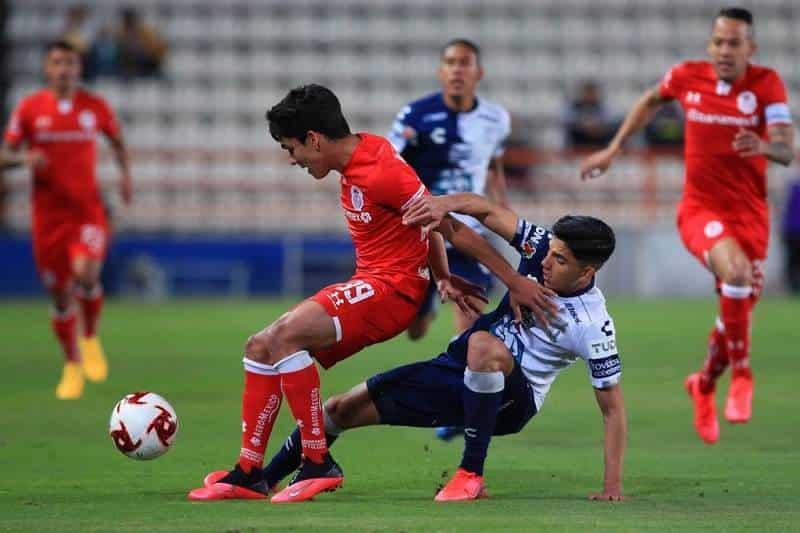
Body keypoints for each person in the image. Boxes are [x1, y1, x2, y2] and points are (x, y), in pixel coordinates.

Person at [188, 84, 558, 504]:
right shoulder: (358, 162)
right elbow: (421, 222)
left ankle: (316, 462)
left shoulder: (382, 168)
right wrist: (443, 277)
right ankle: (250, 471)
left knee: (286, 338)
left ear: (314, 139)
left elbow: (448, 226)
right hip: (372, 282)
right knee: (260, 346)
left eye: (292, 149)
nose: (292, 160)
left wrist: (512, 280)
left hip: (392, 291)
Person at [222, 193, 626, 502]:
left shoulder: (591, 325)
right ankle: (263, 479)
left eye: (559, 260)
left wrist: (612, 486)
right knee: (339, 409)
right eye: (550, 252)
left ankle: (470, 474)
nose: (545, 262)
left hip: (513, 400)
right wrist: (440, 205)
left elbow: (613, 409)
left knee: (484, 344)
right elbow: (484, 210)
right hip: (460, 368)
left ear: (586, 271)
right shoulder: (540, 248)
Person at [580, 8, 794, 445]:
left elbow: (787, 151)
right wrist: (614, 149)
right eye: (718, 42)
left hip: (751, 217)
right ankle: (743, 376)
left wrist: (765, 147)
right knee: (735, 277)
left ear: (750, 49)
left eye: (734, 43)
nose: (724, 50)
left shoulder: (766, 84)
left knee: (733, 313)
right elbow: (648, 101)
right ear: (710, 45)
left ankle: (704, 383)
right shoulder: (686, 77)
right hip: (701, 210)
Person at [1, 40, 132, 399]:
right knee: (60, 297)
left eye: (69, 63)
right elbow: (4, 155)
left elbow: (118, 142)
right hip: (47, 218)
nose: (63, 69)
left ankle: (89, 337)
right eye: (57, 62)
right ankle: (72, 364)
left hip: (86, 210)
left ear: (78, 68)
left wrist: (124, 179)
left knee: (86, 273)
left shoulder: (95, 107)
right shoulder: (29, 109)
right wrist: (23, 160)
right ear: (47, 69)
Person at [388, 39, 511, 343]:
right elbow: (388, 165)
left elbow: (494, 165)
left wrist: (502, 209)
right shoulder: (415, 115)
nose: (457, 70)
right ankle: (426, 305)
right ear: (441, 71)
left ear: (478, 72)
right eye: (451, 63)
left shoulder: (497, 119)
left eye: (464, 63)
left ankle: (462, 381)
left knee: (472, 326)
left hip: (469, 232)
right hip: (424, 232)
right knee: (414, 330)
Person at [562, 80, 617, 149]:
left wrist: (595, 126)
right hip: (578, 139)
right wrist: (585, 126)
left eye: (592, 93)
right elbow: (568, 120)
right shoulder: (574, 106)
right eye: (587, 93)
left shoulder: (601, 106)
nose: (590, 96)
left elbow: (608, 120)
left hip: (599, 138)